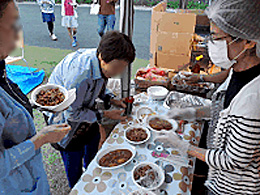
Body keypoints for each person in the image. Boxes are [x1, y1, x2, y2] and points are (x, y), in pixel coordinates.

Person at [160, 1, 260, 195]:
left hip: (232, 189)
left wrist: (185, 146)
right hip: (216, 178)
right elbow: (223, 107)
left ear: (248, 41)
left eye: (217, 38)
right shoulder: (237, 69)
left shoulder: (254, 99)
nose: (210, 45)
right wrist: (191, 112)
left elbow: (233, 161)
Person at [45, 31, 136, 188]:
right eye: (117, 67)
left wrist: (111, 98)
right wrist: (106, 114)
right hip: (64, 119)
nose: (119, 72)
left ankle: (91, 169)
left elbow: (99, 84)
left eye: (124, 68)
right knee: (73, 157)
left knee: (92, 144)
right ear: (101, 57)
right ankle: (78, 187)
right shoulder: (80, 75)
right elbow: (72, 113)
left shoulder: (101, 61)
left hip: (84, 108)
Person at [0, 1, 72, 194]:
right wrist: (41, 138)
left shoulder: (2, 70)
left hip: (29, 177)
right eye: (12, 24)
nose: (17, 34)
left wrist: (33, 105)